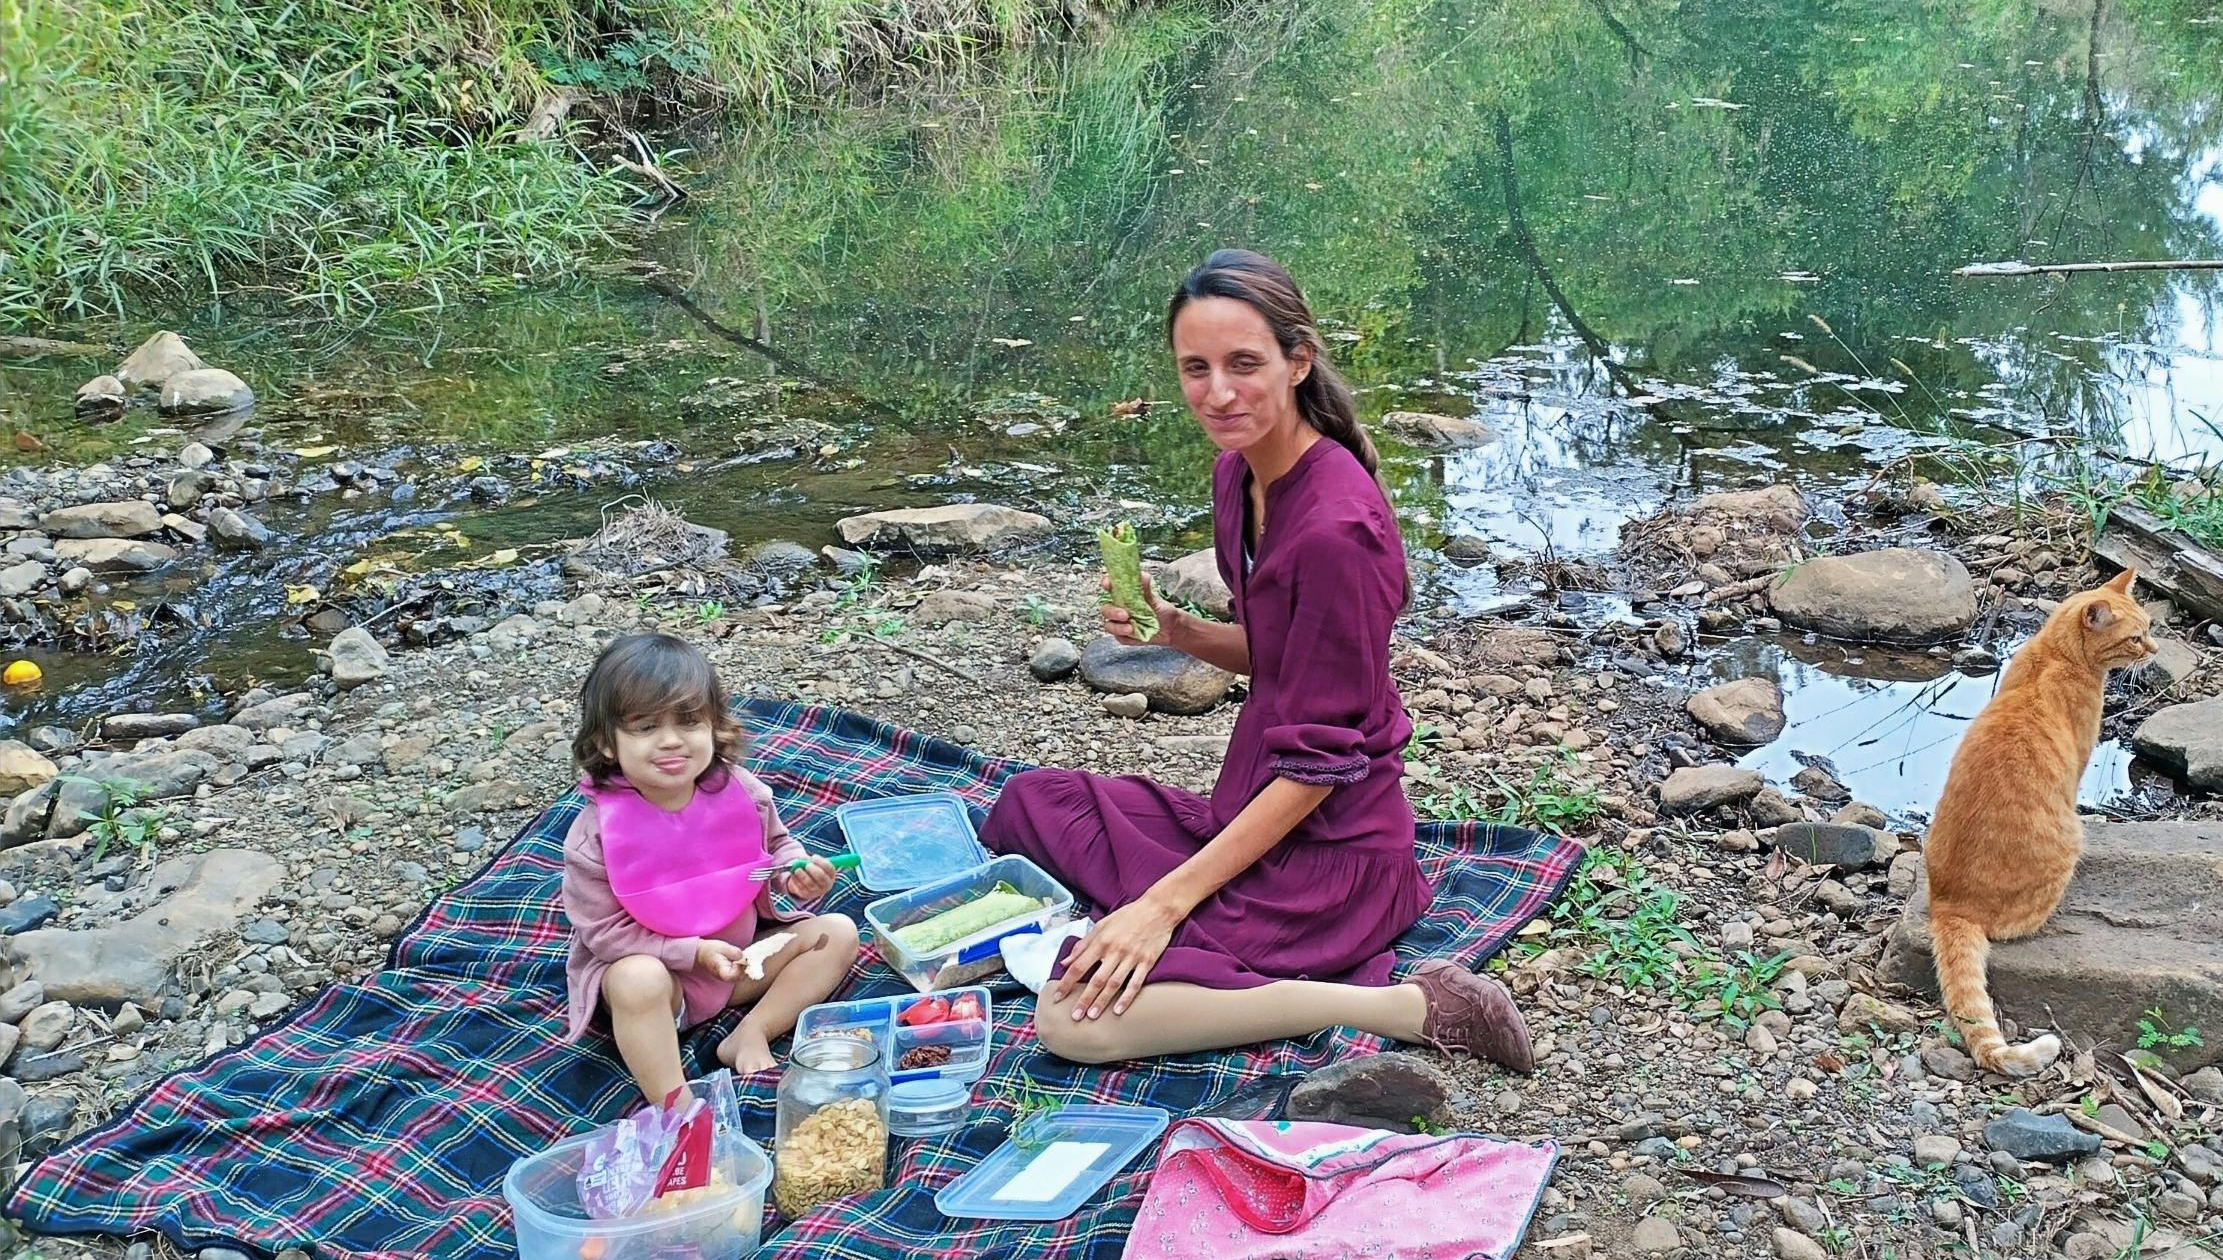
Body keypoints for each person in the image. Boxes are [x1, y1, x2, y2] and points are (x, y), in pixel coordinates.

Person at [982, 249, 1533, 1071]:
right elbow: (1277, 656)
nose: (1218, 393)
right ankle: (1192, 916)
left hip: (1329, 852)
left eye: (1244, 364)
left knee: (1074, 1022)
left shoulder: (1336, 532)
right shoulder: (1239, 475)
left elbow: (1321, 765)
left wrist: (1161, 906)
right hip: (1243, 810)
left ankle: (1409, 1006)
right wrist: (1176, 632)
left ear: (1297, 360)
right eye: (1195, 368)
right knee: (1028, 805)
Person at [558, 632, 859, 1107]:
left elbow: (777, 849)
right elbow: (603, 935)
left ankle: (750, 1031)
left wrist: (795, 874)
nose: (671, 741)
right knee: (638, 978)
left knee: (838, 931)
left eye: (690, 722)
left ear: (715, 728)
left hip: (740, 964)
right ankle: (675, 1106)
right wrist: (692, 954)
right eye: (644, 727)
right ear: (606, 744)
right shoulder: (595, 834)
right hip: (666, 987)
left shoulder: (741, 790)